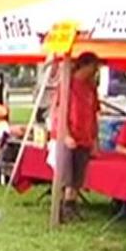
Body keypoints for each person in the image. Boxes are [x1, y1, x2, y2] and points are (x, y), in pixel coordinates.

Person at [53, 52, 101, 222]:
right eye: (94, 67)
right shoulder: (67, 85)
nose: (95, 71)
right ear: (85, 66)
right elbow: (59, 112)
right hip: (69, 135)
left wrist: (95, 140)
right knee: (66, 173)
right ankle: (58, 207)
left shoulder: (91, 87)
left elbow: (94, 114)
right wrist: (65, 134)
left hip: (85, 136)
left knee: (78, 176)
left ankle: (70, 205)